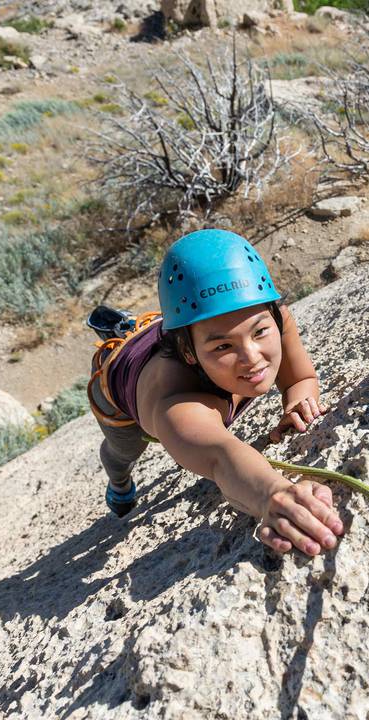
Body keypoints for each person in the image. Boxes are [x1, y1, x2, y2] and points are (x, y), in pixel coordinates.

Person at [87, 229, 344, 557]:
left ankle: (131, 326)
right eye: (224, 346)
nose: (251, 358)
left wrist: (298, 398)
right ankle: (120, 485)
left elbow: (300, 378)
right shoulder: (174, 403)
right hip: (115, 386)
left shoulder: (271, 318)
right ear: (190, 353)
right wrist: (272, 494)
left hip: (181, 327)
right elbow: (221, 456)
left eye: (260, 332)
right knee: (121, 453)